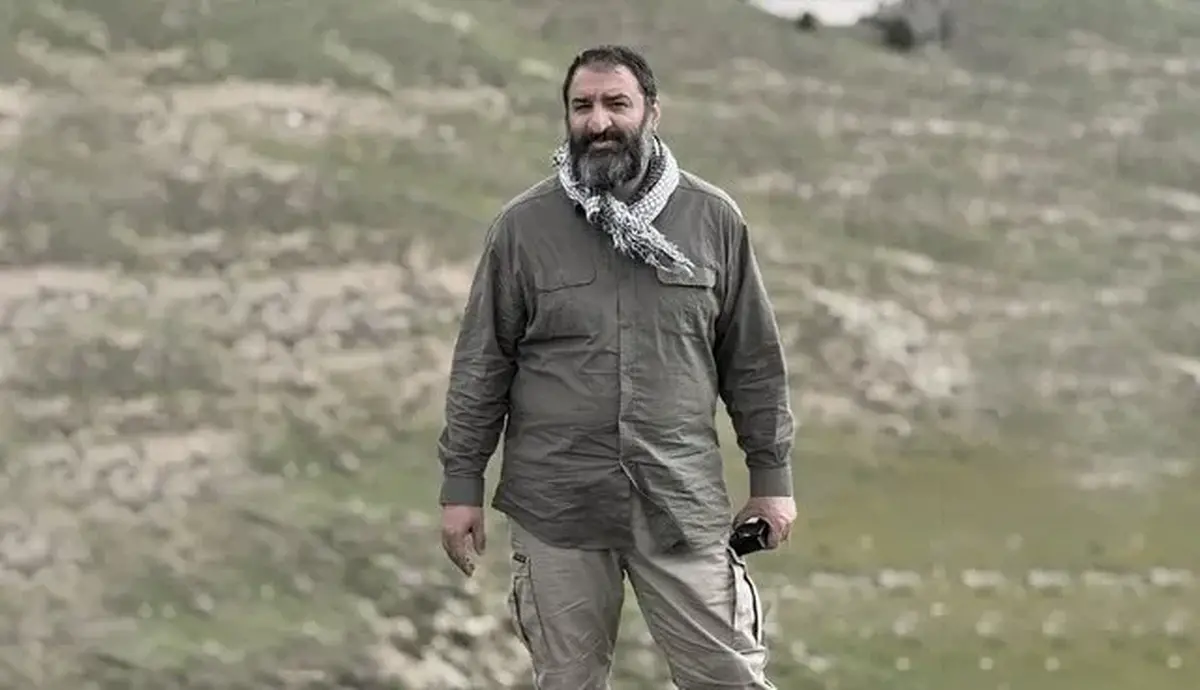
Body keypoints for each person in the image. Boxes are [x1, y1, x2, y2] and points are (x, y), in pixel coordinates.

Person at [436, 44, 797, 690]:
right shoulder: (523, 228)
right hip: (557, 506)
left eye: (616, 104)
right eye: (583, 106)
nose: (598, 122)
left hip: (680, 501)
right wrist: (462, 485)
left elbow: (753, 363)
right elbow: (482, 367)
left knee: (730, 678)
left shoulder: (713, 220)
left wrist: (772, 480)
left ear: (652, 112)